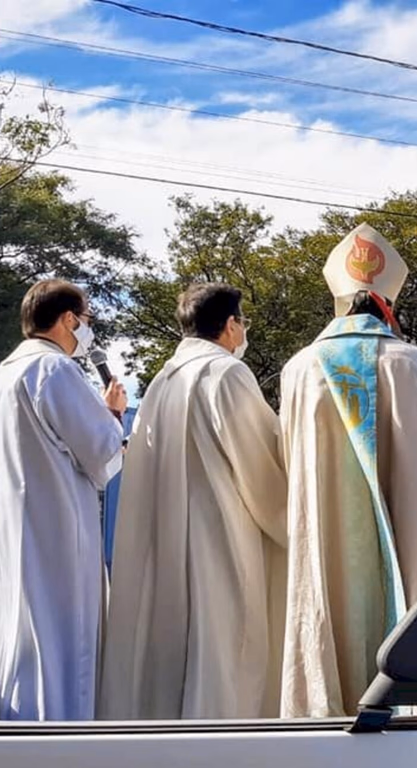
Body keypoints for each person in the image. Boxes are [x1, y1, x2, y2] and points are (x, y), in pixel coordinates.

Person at [278, 223, 417, 718]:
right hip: (406, 548)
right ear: (389, 306)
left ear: (339, 304)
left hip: (326, 539)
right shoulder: (413, 364)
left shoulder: (299, 368)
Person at [99, 284, 288, 720]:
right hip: (217, 539)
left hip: (160, 545)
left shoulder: (162, 381)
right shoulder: (226, 373)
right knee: (221, 650)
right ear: (230, 325)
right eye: (243, 322)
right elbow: (261, 464)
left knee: (170, 658)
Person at [0, 280, 126, 720]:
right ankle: (62, 741)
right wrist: (112, 415)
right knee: (64, 641)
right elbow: (102, 452)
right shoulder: (54, 371)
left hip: (17, 528)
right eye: (86, 320)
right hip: (59, 530)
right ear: (69, 319)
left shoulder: (6, 372)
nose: (87, 330)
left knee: (23, 638)